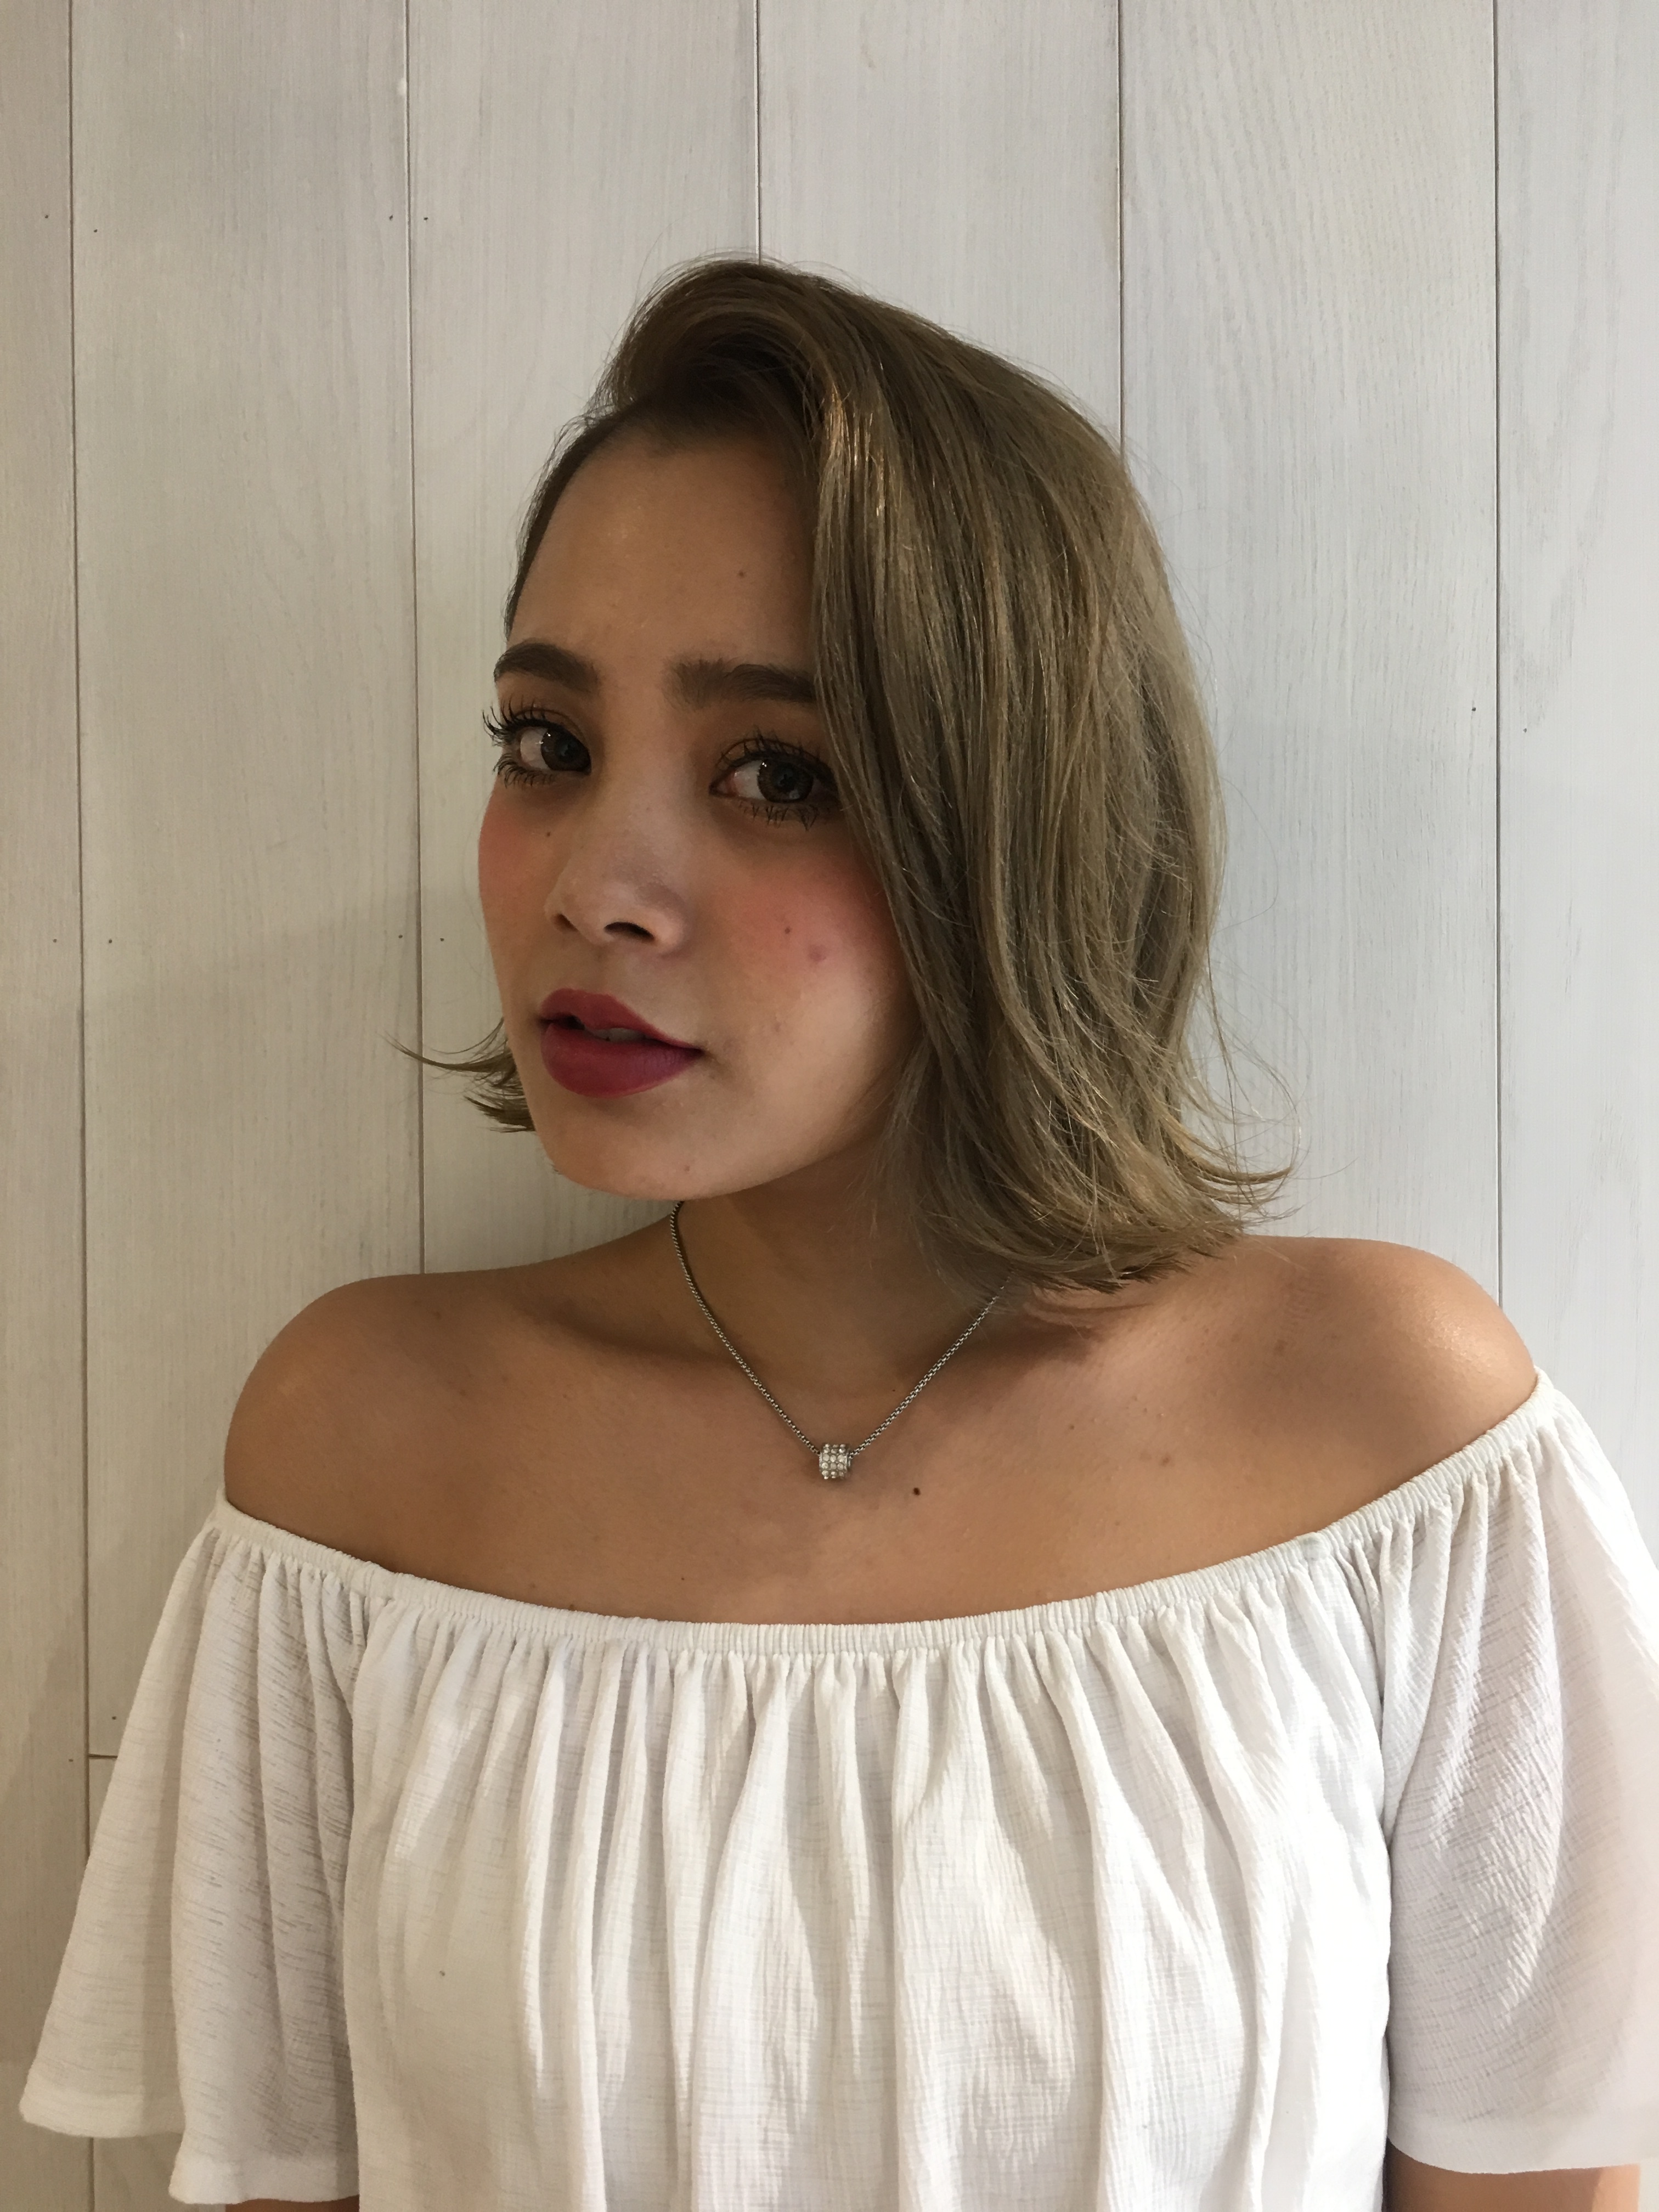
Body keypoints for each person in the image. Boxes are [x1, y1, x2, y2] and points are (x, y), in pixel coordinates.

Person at [20, 257, 1659, 2211]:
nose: (597, 885)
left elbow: (1535, 2175)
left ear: (1015, 824)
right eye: (547, 743)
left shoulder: (1394, 1442)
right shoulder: (361, 1455)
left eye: (775, 774)